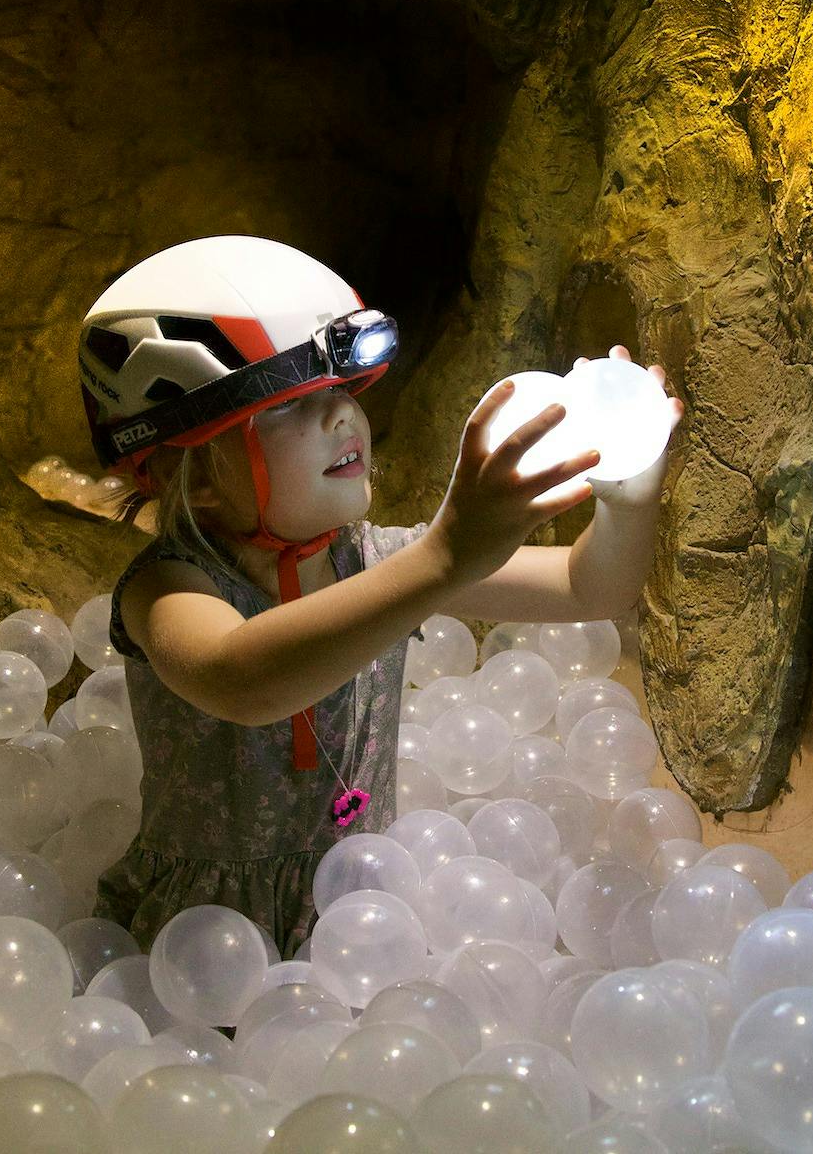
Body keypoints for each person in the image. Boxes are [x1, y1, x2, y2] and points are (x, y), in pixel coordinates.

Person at [76, 234, 682, 955]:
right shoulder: (169, 584)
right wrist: (445, 556)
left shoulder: (383, 562)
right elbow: (240, 679)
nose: (342, 418)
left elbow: (591, 587)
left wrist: (628, 495)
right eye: (287, 406)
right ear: (194, 471)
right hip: (206, 938)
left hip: (364, 911)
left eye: (342, 391)